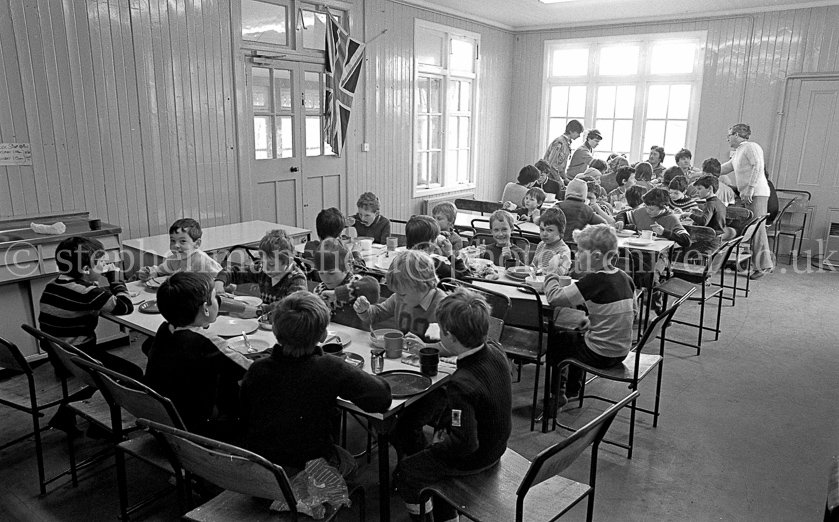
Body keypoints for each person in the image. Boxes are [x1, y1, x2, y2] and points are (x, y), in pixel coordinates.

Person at [392, 288, 512, 522]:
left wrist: (433, 450)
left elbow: (465, 443)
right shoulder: (495, 349)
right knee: (427, 456)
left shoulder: (462, 383)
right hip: (497, 443)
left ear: (451, 337)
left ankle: (424, 518)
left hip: (478, 455)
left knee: (408, 471)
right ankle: (446, 516)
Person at [240, 292, 391, 477]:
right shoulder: (329, 367)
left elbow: (245, 415)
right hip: (308, 470)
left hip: (261, 468)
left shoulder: (257, 368)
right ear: (323, 335)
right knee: (349, 461)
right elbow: (381, 398)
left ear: (275, 330)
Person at [39, 237, 145, 434]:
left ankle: (66, 413)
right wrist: (115, 280)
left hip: (58, 354)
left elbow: (92, 297)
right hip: (80, 356)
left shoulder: (54, 284)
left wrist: (104, 288)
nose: (105, 266)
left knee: (106, 375)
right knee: (132, 375)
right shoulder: (87, 292)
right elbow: (124, 306)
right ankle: (101, 428)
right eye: (102, 263)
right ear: (86, 270)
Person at [144, 272, 251, 440]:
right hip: (196, 428)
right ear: (205, 308)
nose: (219, 302)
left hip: (165, 417)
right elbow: (249, 370)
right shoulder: (205, 341)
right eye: (216, 298)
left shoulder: (165, 329)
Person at [543, 224, 636, 415]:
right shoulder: (625, 277)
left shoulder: (594, 281)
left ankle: (557, 394)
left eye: (580, 251)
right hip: (622, 349)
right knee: (577, 332)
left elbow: (554, 299)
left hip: (601, 353)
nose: (577, 255)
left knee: (558, 339)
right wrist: (593, 321)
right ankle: (573, 388)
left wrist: (551, 272)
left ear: (595, 256)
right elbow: (630, 312)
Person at [353, 249, 449, 353]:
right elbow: (375, 315)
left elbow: (454, 347)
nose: (397, 297)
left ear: (423, 287)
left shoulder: (444, 307)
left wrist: (425, 347)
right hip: (403, 357)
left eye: (402, 294)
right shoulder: (399, 299)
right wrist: (364, 310)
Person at [720, 124, 774, 279]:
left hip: (756, 193)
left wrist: (750, 188)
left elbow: (758, 166)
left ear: (736, 134)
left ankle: (763, 266)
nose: (728, 138)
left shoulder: (751, 147)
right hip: (749, 194)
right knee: (751, 228)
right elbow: (724, 168)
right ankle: (757, 263)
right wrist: (701, 171)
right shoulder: (738, 152)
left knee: (757, 228)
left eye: (729, 135)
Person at [214, 229, 307, 312]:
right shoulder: (262, 269)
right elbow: (235, 271)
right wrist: (220, 281)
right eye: (263, 262)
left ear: (288, 261)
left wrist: (259, 311)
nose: (265, 268)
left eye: (271, 265)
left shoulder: (297, 279)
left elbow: (290, 305)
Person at [310, 239, 381, 330]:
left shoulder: (355, 282)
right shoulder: (319, 290)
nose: (325, 278)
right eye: (321, 273)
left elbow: (373, 288)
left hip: (358, 340)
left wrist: (338, 294)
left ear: (348, 267)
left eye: (331, 273)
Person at [136, 218, 222, 281]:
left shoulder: (202, 261)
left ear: (197, 243)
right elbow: (158, 271)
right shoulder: (173, 260)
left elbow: (223, 280)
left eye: (183, 241)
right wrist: (148, 272)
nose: (176, 245)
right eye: (173, 241)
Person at [405, 215, 470, 281]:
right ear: (430, 243)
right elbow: (466, 277)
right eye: (436, 237)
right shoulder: (434, 264)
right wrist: (450, 255)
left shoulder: (402, 260)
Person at [302, 207, 365, 274]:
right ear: (340, 234)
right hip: (336, 284)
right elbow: (359, 270)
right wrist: (356, 252)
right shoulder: (342, 252)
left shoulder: (309, 247)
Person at [557, 178, 606, 242]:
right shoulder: (587, 209)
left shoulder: (558, 206)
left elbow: (541, 221)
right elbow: (603, 225)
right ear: (584, 194)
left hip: (557, 243)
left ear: (567, 192)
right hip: (578, 245)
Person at [531, 207, 572, 276]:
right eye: (542, 229)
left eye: (550, 230)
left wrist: (540, 272)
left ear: (560, 231)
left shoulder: (563, 251)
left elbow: (560, 274)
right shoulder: (541, 244)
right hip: (536, 281)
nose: (544, 234)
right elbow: (533, 266)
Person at [542, 119, 584, 183]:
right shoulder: (559, 142)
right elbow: (552, 164)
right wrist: (559, 180)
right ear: (571, 131)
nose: (579, 135)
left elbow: (561, 166)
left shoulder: (567, 143)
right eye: (578, 132)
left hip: (555, 177)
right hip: (548, 178)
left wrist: (565, 178)